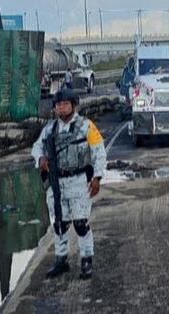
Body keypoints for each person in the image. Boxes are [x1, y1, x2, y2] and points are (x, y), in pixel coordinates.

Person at [31, 88, 107, 280]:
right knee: (59, 223)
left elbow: (99, 151)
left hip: (79, 181)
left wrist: (97, 177)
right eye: (58, 105)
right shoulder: (50, 129)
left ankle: (87, 259)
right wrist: (41, 158)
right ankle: (61, 259)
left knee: (80, 223)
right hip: (56, 182)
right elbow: (37, 146)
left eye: (65, 104)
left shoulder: (86, 126)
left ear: (74, 106)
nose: (61, 108)